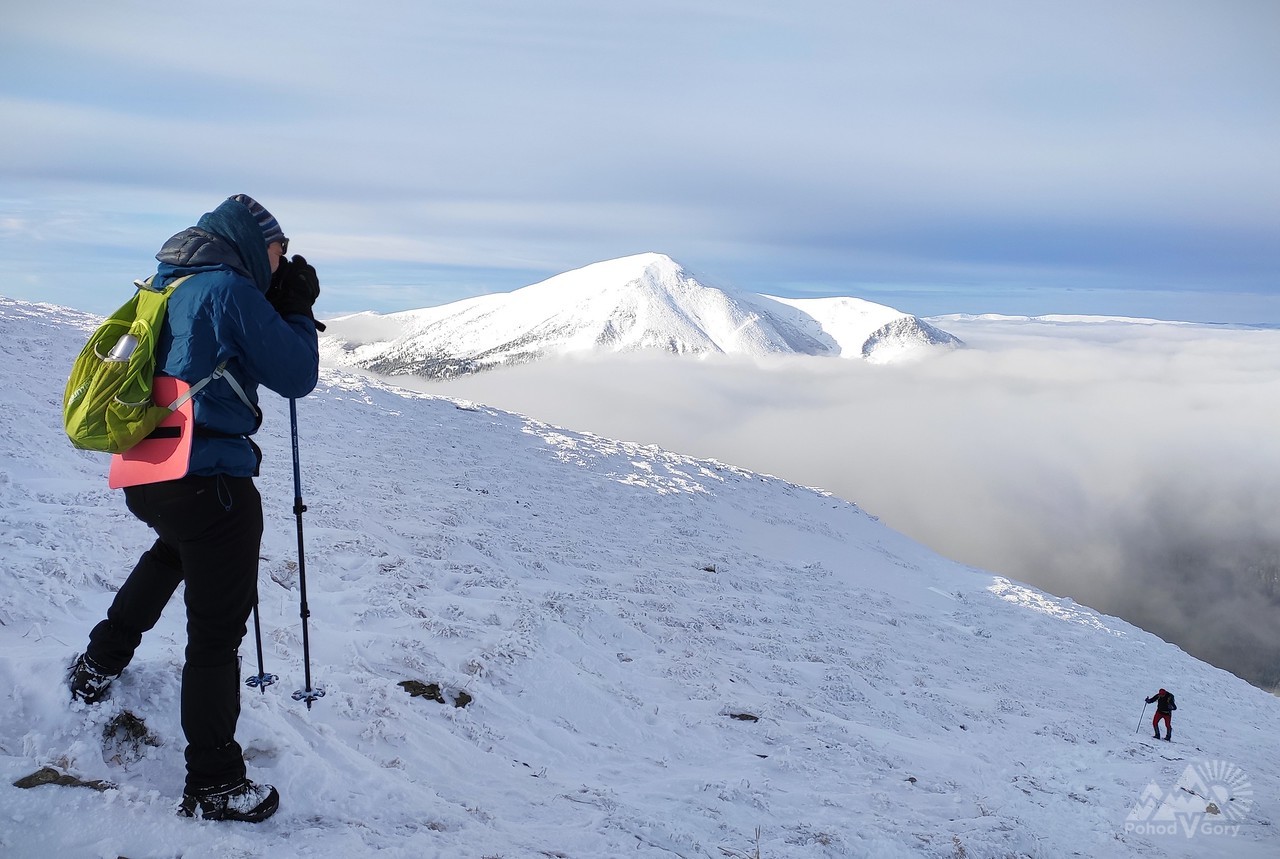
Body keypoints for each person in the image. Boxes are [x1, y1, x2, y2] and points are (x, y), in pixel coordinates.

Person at [66, 194, 322, 822]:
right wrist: (295, 309)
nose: (279, 261)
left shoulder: (166, 282)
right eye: (276, 250)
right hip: (212, 482)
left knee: (172, 551)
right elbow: (296, 375)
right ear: (250, 241)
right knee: (215, 634)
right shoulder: (228, 291)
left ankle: (97, 664)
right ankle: (213, 781)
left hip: (150, 471)